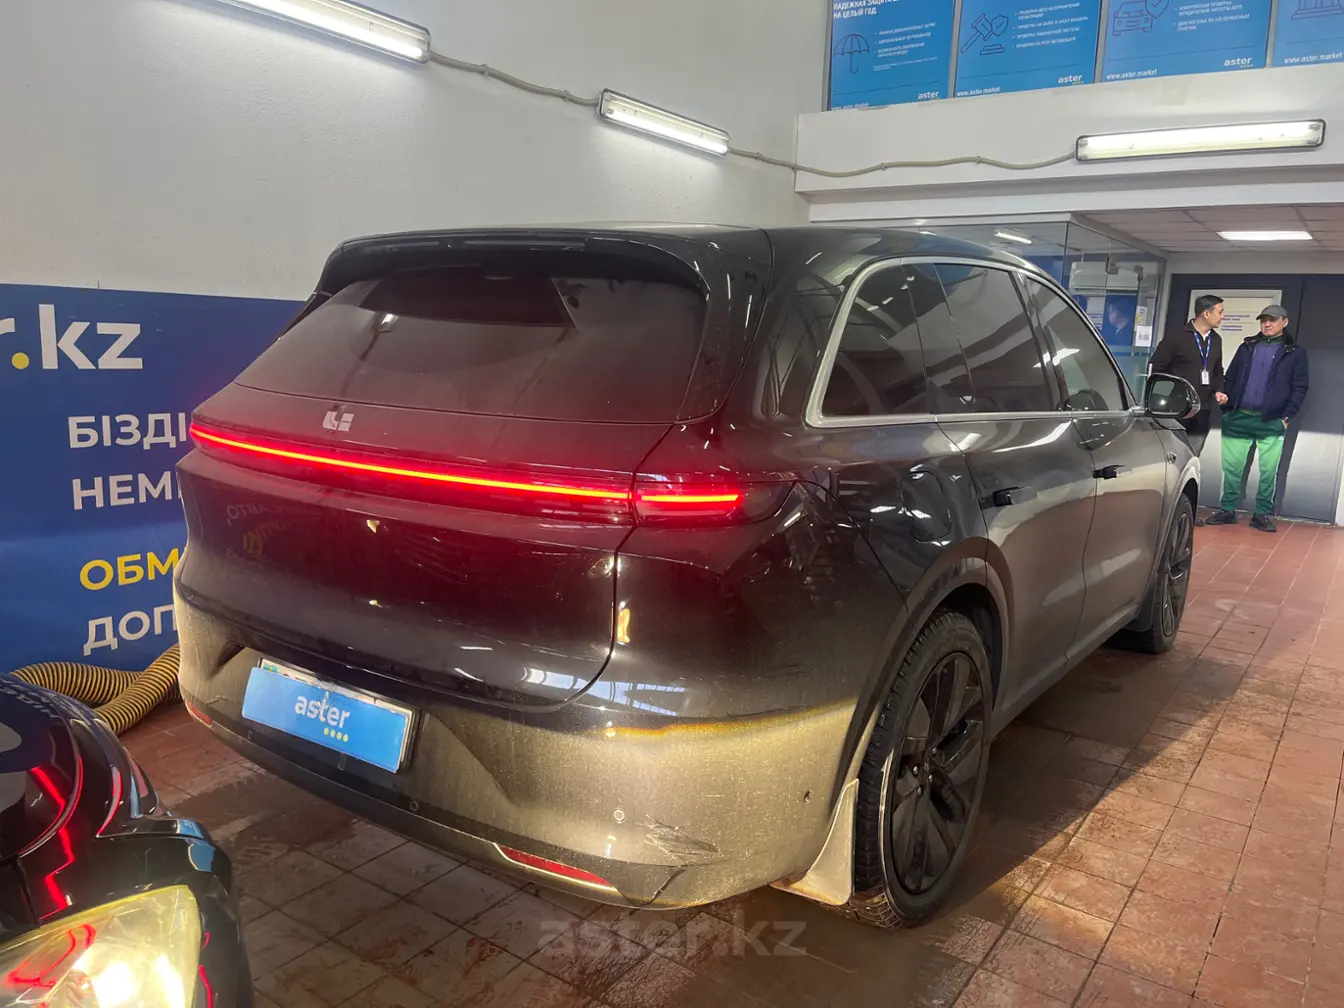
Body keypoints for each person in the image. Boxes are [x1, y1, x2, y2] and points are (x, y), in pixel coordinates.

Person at [1205, 305, 1309, 534]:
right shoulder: (1247, 347)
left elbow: (1300, 387)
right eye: (1264, 320)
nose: (1267, 324)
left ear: (1284, 322)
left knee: (1268, 472)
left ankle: (1261, 514)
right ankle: (1227, 510)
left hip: (1271, 421)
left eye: (1272, 320)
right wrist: (1227, 408)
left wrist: (1286, 417)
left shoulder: (1294, 352)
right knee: (1231, 469)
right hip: (1238, 418)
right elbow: (1230, 377)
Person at [1148, 294, 1228, 460]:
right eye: (1220, 312)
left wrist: (1219, 390)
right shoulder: (1177, 337)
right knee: (1171, 455)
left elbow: (1217, 370)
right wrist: (1162, 401)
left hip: (1202, 409)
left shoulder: (1216, 340)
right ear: (1206, 313)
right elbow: (1157, 368)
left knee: (1192, 457)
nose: (1223, 316)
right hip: (1176, 409)